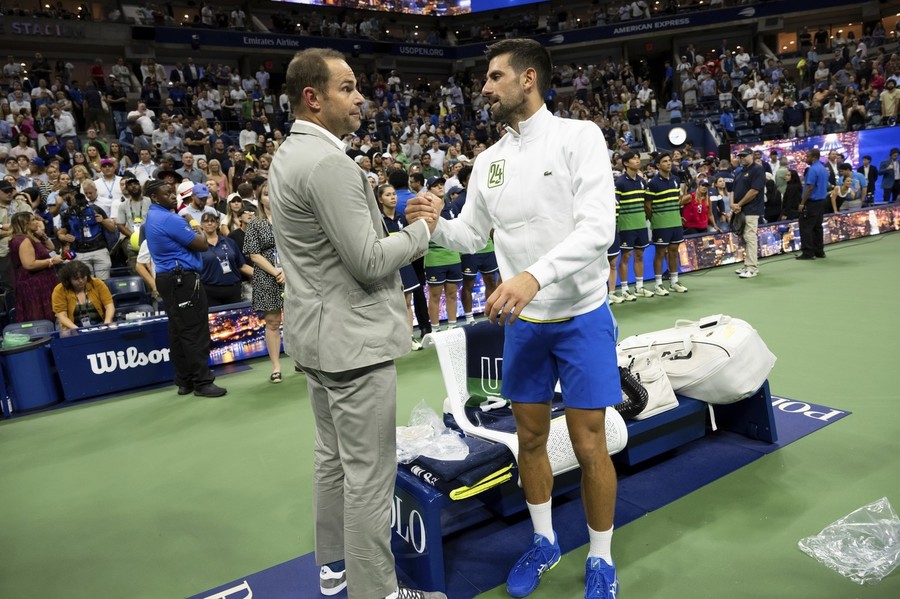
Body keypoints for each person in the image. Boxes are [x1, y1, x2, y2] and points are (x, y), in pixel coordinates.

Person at [406, 38, 620, 599]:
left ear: (528, 79)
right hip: (524, 325)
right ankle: (545, 540)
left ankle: (601, 559)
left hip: (581, 315)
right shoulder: (489, 161)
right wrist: (435, 222)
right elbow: (471, 235)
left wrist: (533, 276)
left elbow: (599, 229)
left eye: (495, 76)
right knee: (529, 437)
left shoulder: (580, 137)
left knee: (589, 441)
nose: (485, 86)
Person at [267, 48, 438, 599]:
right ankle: (379, 593)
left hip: (317, 338)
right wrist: (421, 233)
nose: (360, 96)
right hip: (352, 343)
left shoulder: (289, 153)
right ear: (313, 98)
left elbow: (332, 246)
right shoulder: (327, 162)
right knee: (369, 474)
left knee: (331, 458)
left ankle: (334, 568)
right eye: (347, 87)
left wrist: (393, 226)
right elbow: (366, 261)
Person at [144, 178, 226, 397]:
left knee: (178, 330)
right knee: (194, 331)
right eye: (167, 193)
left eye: (173, 192)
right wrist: (194, 224)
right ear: (154, 197)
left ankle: (185, 381)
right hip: (182, 280)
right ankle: (202, 382)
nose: (173, 196)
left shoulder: (152, 216)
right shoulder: (169, 219)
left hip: (168, 278)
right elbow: (201, 243)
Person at [242, 181, 285, 383]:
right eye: (266, 194)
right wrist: (277, 272)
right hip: (267, 276)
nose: (270, 197)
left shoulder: (290, 218)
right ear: (260, 199)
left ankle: (303, 361)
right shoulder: (255, 223)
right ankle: (276, 366)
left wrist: (288, 270)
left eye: (273, 193)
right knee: (273, 322)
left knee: (298, 320)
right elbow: (254, 254)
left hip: (293, 273)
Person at [450, 166, 500, 323]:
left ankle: (491, 314)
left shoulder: (488, 196)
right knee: (468, 284)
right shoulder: (458, 202)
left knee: (491, 280)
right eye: (471, 178)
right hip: (469, 250)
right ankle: (469, 317)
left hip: (488, 248)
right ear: (464, 182)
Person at [376, 183, 422, 351]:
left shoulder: (402, 218)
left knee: (407, 301)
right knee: (391, 305)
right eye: (388, 195)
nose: (393, 197)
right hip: (389, 267)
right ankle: (393, 341)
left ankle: (409, 338)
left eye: (394, 194)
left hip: (405, 265)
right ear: (380, 199)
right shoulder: (377, 220)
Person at [647, 152, 689, 295]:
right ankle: (658, 284)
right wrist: (656, 218)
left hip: (675, 223)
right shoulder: (652, 183)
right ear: (658, 165)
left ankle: (674, 282)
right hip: (660, 224)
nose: (668, 163)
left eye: (669, 161)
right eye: (664, 161)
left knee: (673, 252)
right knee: (660, 253)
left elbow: (676, 201)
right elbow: (648, 205)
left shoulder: (676, 180)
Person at [611, 151, 652, 302]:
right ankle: (624, 289)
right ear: (626, 163)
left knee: (639, 255)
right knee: (626, 256)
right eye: (633, 159)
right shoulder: (620, 182)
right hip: (626, 225)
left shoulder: (642, 182)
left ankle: (639, 287)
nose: (637, 160)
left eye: (638, 158)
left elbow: (646, 203)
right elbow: (616, 205)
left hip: (641, 224)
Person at [423, 175, 462, 330]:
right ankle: (435, 328)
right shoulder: (425, 208)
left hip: (453, 257)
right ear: (429, 189)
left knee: (452, 294)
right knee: (434, 296)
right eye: (436, 185)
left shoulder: (452, 207)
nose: (440, 187)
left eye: (442, 184)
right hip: (434, 259)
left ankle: (452, 327)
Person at [8, 211, 61, 321]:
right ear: (25, 224)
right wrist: (50, 261)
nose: (37, 222)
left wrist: (42, 235)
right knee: (38, 314)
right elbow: (29, 264)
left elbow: (50, 248)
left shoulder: (31, 237)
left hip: (41, 281)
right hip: (33, 283)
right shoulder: (23, 240)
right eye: (33, 220)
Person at [57, 185, 116, 280]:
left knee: (104, 283)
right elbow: (61, 232)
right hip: (80, 252)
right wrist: (63, 237)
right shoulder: (68, 213)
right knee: (86, 283)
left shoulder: (95, 209)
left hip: (99, 249)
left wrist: (103, 221)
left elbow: (112, 229)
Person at [198, 212, 252, 306]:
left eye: (212, 221)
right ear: (201, 224)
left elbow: (241, 265)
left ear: (217, 223)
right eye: (206, 221)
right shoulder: (198, 246)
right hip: (210, 291)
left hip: (233, 289)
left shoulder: (229, 242)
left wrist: (264, 274)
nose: (209, 223)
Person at [731, 148, 765, 278]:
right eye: (740, 156)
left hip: (752, 209)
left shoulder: (757, 169)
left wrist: (739, 204)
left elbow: (754, 191)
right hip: (740, 210)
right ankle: (747, 264)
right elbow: (733, 190)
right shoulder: (740, 172)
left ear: (751, 155)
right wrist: (733, 205)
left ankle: (752, 268)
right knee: (744, 238)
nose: (742, 158)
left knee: (749, 237)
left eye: (744, 156)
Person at [51, 259, 115, 329]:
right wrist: (76, 329)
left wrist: (107, 322)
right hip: (72, 326)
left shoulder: (97, 283)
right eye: (76, 279)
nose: (81, 281)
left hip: (99, 323)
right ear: (68, 279)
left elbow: (109, 305)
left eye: (83, 277)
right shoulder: (59, 290)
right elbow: (61, 315)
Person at [0, 179, 34, 292]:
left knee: (30, 284)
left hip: (26, 249)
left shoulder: (22, 206)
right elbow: (22, 227)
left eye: (10, 190)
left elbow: (31, 225)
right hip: (4, 252)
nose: (9, 193)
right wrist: (16, 229)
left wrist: (3, 228)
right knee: (11, 287)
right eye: (5, 191)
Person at [797, 148, 829, 260]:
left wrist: (802, 203)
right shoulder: (823, 168)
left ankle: (808, 253)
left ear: (814, 157)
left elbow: (810, 187)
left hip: (812, 202)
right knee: (817, 227)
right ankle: (819, 251)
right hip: (822, 201)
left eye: (808, 157)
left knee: (806, 227)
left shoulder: (812, 169)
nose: (806, 159)